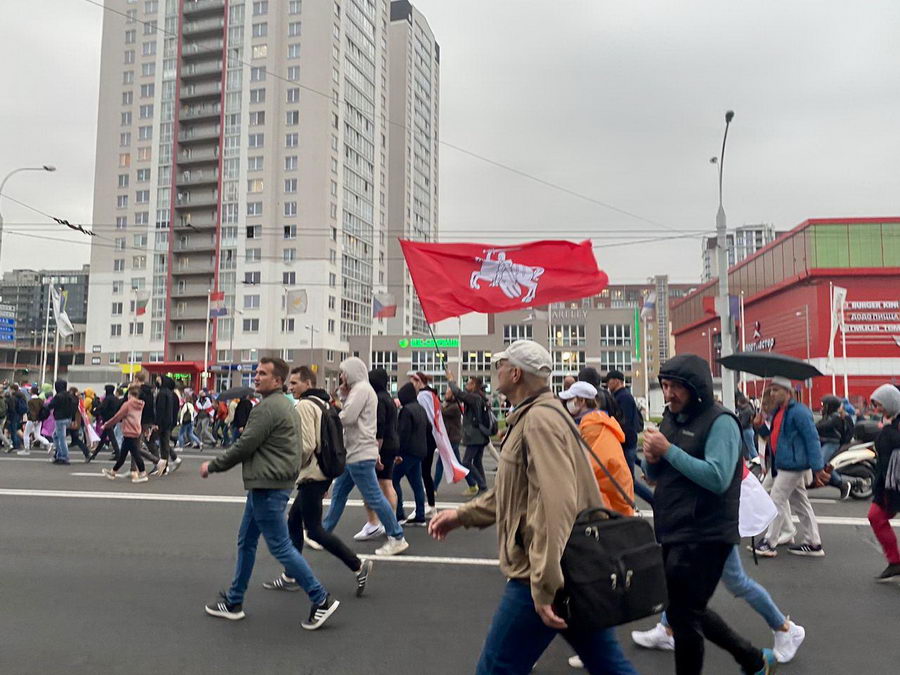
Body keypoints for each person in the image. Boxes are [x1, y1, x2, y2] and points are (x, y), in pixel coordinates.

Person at [428, 340, 637, 674]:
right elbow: (511, 494)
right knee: (608, 664)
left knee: (496, 668)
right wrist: (460, 516)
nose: (496, 370)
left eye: (501, 364)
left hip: (543, 572)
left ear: (515, 373)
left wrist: (544, 584)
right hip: (571, 566)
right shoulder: (540, 414)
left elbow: (557, 503)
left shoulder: (539, 420)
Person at [643, 353, 777, 675]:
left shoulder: (721, 422)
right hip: (674, 527)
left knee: (685, 617)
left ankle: (752, 657)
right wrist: (651, 457)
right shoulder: (673, 417)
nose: (669, 393)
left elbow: (718, 478)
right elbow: (656, 474)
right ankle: (752, 659)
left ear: (696, 387)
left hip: (705, 532)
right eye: (665, 385)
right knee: (684, 611)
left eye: (677, 386)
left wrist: (668, 451)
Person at [200, 358, 339, 630]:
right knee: (247, 541)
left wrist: (212, 466)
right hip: (269, 484)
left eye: (262, 373)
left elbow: (244, 446)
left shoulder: (267, 409)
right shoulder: (287, 405)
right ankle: (234, 601)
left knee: (280, 546)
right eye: (256, 372)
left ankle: (320, 598)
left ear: (277, 381)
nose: (256, 376)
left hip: (267, 486)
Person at [264, 366, 372, 597]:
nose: (290, 388)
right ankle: (291, 574)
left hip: (312, 473)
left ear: (308, 384)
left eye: (295, 383)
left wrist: (289, 469)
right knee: (294, 521)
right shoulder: (325, 404)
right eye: (290, 384)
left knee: (313, 530)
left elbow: (305, 445)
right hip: (324, 471)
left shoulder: (304, 405)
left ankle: (357, 565)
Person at [321, 357, 409, 556]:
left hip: (359, 452)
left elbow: (348, 417)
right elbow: (351, 414)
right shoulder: (361, 390)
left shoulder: (361, 389)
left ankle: (397, 536)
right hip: (357, 452)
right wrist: (343, 397)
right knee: (341, 493)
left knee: (374, 497)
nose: (341, 376)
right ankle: (323, 533)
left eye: (343, 372)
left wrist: (330, 414)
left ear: (351, 371)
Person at [751, 376, 828, 558]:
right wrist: (760, 427)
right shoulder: (781, 412)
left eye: (776, 390)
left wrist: (818, 468)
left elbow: (812, 439)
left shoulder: (799, 412)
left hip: (792, 465)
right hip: (785, 463)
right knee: (800, 503)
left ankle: (769, 542)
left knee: (776, 500)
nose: (772, 393)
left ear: (788, 391)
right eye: (771, 390)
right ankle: (813, 542)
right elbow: (774, 436)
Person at [559, 381, 634, 516]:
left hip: (604, 496)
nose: (566, 404)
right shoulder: (601, 420)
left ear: (581, 401)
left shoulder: (589, 427)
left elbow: (584, 467)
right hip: (619, 489)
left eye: (569, 399)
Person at [353, 368, 400, 540]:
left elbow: (378, 427)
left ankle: (378, 523)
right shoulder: (388, 398)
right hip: (392, 443)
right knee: (387, 483)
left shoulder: (378, 399)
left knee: (378, 485)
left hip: (382, 445)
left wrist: (375, 451)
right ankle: (391, 520)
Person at [604, 369, 654, 505]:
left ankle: (653, 500)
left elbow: (623, 422)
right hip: (628, 442)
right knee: (633, 463)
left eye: (609, 380)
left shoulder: (623, 397)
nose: (607, 383)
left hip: (626, 443)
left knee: (628, 480)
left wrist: (619, 439)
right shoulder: (620, 395)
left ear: (617, 381)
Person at [867, 384, 900, 581]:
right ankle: (895, 562)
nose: (877, 409)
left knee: (876, 515)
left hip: (894, 483)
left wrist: (886, 430)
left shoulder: (892, 426)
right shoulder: (889, 423)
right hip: (888, 484)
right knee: (875, 516)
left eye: (879, 404)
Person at [446, 372, 491, 496]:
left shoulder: (475, 397)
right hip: (480, 435)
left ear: (474, 385)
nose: (467, 384)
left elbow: (459, 393)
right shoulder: (479, 397)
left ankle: (482, 485)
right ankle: (483, 488)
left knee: (466, 461)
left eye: (469, 383)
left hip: (475, 436)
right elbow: (460, 396)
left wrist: (451, 380)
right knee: (477, 461)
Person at [393, 382, 429, 525]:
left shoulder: (406, 410)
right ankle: (420, 515)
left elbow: (403, 433)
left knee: (393, 479)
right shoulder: (420, 408)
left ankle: (399, 513)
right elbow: (428, 428)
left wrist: (398, 452)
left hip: (408, 452)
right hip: (420, 450)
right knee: (417, 484)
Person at [100, 385, 149, 483]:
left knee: (135, 453)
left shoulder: (127, 404)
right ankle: (113, 472)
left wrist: (106, 425)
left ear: (130, 394)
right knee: (123, 453)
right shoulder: (140, 404)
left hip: (129, 431)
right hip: (136, 430)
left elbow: (117, 417)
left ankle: (143, 473)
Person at [816, 394, 854, 499]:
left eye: (824, 405)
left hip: (832, 443)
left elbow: (821, 426)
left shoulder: (835, 418)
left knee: (821, 463)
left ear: (830, 406)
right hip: (824, 442)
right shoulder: (827, 417)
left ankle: (842, 484)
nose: (822, 407)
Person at [435, 386, 463, 488]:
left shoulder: (454, 407)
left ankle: (433, 488)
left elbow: (441, 412)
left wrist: (436, 401)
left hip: (452, 438)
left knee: (441, 462)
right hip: (451, 437)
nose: (445, 395)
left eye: (447, 393)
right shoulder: (450, 405)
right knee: (459, 463)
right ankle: (473, 483)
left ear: (453, 396)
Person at [47, 379, 78, 465]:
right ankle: (59, 454)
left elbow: (51, 405)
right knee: (56, 436)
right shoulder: (70, 396)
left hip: (60, 418)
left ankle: (64, 456)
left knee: (61, 438)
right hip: (68, 418)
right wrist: (73, 419)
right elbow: (74, 407)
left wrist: (46, 407)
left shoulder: (58, 396)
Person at [154, 376, 181, 476]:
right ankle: (171, 460)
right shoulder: (170, 394)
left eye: (159, 380)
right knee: (164, 443)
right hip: (168, 421)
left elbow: (160, 409)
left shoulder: (162, 393)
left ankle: (164, 466)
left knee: (162, 444)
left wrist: (157, 423)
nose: (157, 382)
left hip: (163, 422)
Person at [91, 385, 122, 460]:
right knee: (104, 437)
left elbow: (102, 407)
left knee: (111, 437)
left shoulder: (107, 399)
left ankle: (118, 454)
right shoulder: (115, 399)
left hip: (107, 419)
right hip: (114, 419)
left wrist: (95, 411)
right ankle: (95, 454)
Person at [24, 386, 51, 455]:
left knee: (26, 434)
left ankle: (26, 449)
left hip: (32, 419)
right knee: (37, 435)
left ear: (32, 392)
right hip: (39, 419)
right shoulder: (40, 400)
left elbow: (32, 411)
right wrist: (39, 419)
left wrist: (33, 419)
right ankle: (48, 443)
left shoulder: (30, 401)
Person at [736, 392, 759, 461]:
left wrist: (737, 423)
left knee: (750, 447)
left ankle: (756, 460)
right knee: (746, 448)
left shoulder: (746, 411)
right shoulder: (748, 409)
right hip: (748, 430)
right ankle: (750, 460)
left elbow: (744, 422)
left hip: (746, 430)